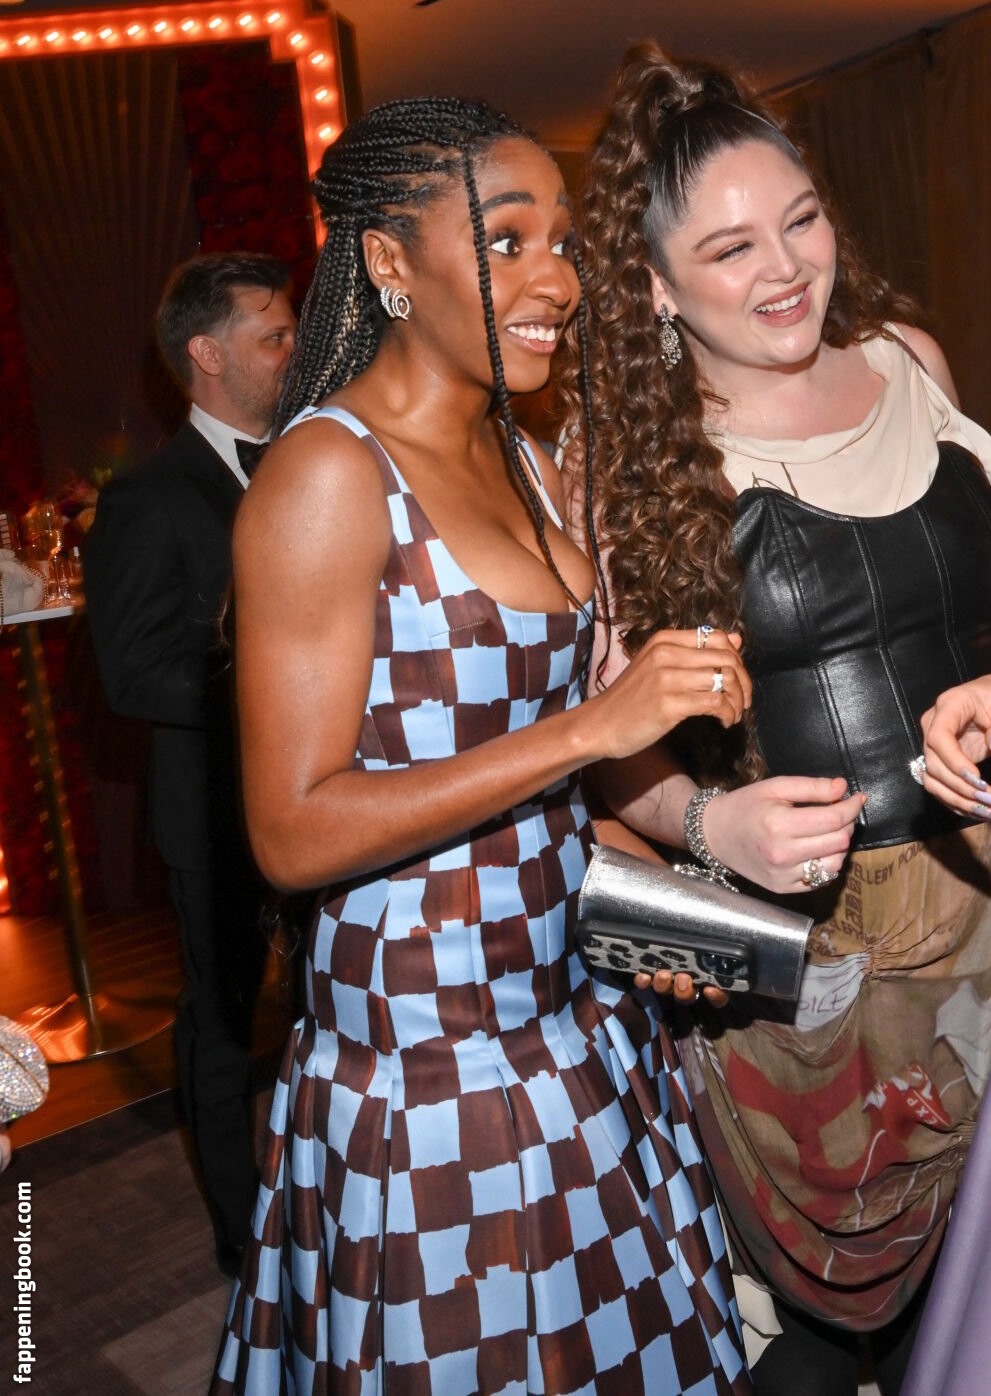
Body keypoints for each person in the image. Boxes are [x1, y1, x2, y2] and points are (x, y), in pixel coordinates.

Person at [211, 97, 754, 1395]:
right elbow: (291, 830)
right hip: (432, 1069)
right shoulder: (328, 476)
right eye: (505, 242)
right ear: (387, 262)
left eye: (560, 243)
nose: (554, 279)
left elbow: (542, 776)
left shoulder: (518, 451)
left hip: (574, 1015)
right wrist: (593, 724)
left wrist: (666, 891)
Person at [562, 41, 991, 1396]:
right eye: (729, 247)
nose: (784, 269)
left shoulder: (908, 360)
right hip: (818, 967)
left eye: (799, 221)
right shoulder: (632, 463)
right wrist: (709, 821)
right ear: (651, 283)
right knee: (832, 1325)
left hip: (987, 892)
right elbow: (599, 747)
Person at [84, 252, 297, 1277]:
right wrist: (276, 686)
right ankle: (242, 1236)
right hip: (214, 811)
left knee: (334, 1011)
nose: (292, 348)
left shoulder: (317, 460)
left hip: (334, 799)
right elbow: (132, 674)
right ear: (208, 355)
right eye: (273, 335)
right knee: (222, 1021)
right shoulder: (147, 497)